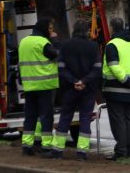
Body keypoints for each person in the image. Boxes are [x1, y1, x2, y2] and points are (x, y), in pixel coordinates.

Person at [46, 20, 102, 160]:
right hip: (88, 89)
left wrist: (74, 81)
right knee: (85, 119)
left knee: (65, 117)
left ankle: (57, 151)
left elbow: (61, 67)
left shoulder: (65, 45)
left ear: (74, 30)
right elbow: (97, 68)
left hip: (69, 89)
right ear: (86, 31)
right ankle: (82, 153)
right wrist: (84, 81)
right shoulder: (93, 46)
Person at [102, 18, 130, 160]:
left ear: (112, 28)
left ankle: (121, 151)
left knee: (118, 120)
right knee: (127, 119)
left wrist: (126, 81)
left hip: (115, 89)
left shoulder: (112, 45)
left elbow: (114, 66)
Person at [18, 17, 59, 156]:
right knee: (46, 116)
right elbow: (57, 55)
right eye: (50, 29)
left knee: (30, 116)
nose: (51, 31)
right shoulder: (44, 43)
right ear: (44, 28)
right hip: (45, 86)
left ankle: (27, 146)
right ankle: (46, 146)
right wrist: (55, 40)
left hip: (29, 86)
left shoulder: (23, 42)